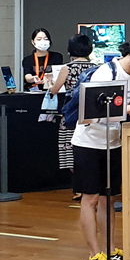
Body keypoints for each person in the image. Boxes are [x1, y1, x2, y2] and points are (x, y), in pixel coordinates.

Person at [72, 35, 130, 260]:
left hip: (113, 143)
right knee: (90, 199)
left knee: (108, 198)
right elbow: (91, 111)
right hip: (89, 143)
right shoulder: (105, 73)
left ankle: (110, 249)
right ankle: (93, 254)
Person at [47, 32, 96, 181]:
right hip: (90, 114)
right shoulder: (96, 68)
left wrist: (49, 83)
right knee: (88, 150)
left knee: (71, 151)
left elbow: (54, 90)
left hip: (71, 114)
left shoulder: (67, 68)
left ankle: (77, 183)